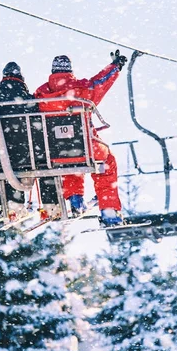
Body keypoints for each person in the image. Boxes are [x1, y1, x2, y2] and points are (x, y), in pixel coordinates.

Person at [34, 51, 127, 226]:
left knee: (68, 161)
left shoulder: (41, 94)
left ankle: (76, 199)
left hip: (54, 150)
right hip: (85, 145)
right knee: (107, 163)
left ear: (52, 71)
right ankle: (109, 211)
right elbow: (102, 82)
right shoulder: (83, 90)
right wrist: (115, 66)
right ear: (70, 70)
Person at [0, 62, 40, 222]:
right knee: (19, 169)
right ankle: (15, 208)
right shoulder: (27, 99)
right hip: (23, 151)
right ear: (21, 77)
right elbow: (37, 119)